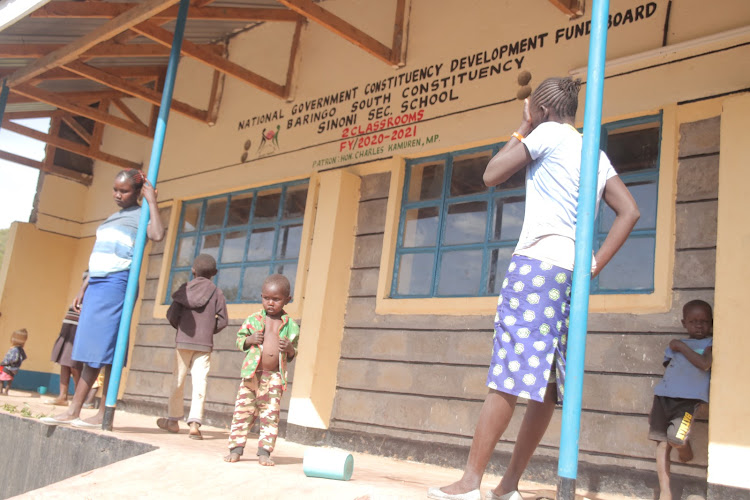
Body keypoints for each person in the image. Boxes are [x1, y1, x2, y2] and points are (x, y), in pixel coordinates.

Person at [429, 77, 641, 500]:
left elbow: (491, 175)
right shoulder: (594, 153)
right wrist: (594, 265)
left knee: (507, 377)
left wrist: (523, 126)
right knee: (544, 384)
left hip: (537, 267)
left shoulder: (544, 133)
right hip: (569, 276)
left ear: (541, 109)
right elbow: (630, 211)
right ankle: (508, 486)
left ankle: (471, 482)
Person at [41, 169, 164, 427]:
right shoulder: (112, 218)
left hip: (116, 283)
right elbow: (99, 254)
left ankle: (90, 411)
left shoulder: (140, 215)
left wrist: (152, 201)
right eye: (115, 189)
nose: (117, 195)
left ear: (138, 191)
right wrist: (84, 286)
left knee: (104, 348)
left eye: (124, 190)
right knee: (88, 348)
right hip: (96, 284)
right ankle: (77, 409)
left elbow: (157, 235)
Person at [223, 274, 299, 466]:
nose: (270, 303)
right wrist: (249, 340)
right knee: (243, 412)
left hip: (274, 378)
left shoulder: (291, 326)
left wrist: (289, 348)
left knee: (270, 416)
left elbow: (293, 352)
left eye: (276, 299)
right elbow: (239, 340)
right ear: (261, 297)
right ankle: (235, 449)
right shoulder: (253, 320)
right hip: (251, 376)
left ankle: (264, 452)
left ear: (287, 300)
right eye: (267, 298)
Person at [156, 254, 228, 439]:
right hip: (204, 345)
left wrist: (181, 329)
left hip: (183, 342)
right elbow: (224, 321)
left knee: (177, 381)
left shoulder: (184, 289)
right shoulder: (217, 292)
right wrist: (208, 331)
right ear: (215, 273)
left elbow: (172, 314)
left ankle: (172, 421)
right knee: (200, 382)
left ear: (193, 271)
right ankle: (195, 424)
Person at [649, 300, 712, 500]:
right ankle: (665, 491)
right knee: (661, 442)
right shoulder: (674, 347)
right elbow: (671, 370)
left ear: (711, 323)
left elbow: (704, 364)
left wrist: (681, 346)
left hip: (688, 403)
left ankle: (684, 448)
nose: (699, 325)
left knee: (676, 438)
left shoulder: (710, 344)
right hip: (663, 398)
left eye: (703, 321)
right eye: (693, 321)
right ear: (684, 323)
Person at [46, 271, 88, 406]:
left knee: (74, 364)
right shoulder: (81, 292)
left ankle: (78, 398)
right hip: (70, 321)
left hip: (80, 324)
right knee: (64, 361)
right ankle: (62, 396)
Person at [0, 329, 28, 395]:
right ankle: (6, 392)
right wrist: (18, 364)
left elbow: (13, 359)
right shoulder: (21, 349)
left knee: (1, 379)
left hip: (8, 367)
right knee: (9, 380)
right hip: (14, 369)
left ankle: (1, 391)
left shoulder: (14, 349)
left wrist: (4, 363)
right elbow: (24, 357)